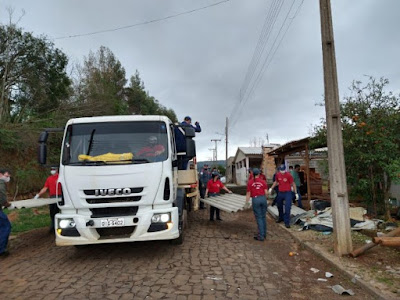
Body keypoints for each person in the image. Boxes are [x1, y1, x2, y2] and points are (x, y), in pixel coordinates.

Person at [34, 167, 62, 232]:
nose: (52, 171)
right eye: (51, 169)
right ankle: (53, 226)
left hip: (60, 196)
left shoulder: (61, 177)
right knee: (52, 212)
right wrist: (38, 195)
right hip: (52, 197)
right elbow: (45, 188)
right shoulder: (49, 179)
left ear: (57, 170)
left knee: (59, 212)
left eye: (54, 169)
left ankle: (59, 226)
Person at [245, 168, 268, 241]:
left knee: (259, 218)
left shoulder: (250, 182)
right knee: (263, 217)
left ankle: (260, 236)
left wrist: (247, 202)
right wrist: (266, 199)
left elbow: (248, 193)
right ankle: (264, 234)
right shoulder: (263, 182)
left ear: (252, 174)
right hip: (263, 198)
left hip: (256, 199)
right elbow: (266, 192)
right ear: (259, 174)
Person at [0, 168, 14, 257]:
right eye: (6, 175)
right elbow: (2, 197)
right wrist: (8, 205)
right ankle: (1, 250)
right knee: (6, 226)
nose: (8, 178)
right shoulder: (1, 183)